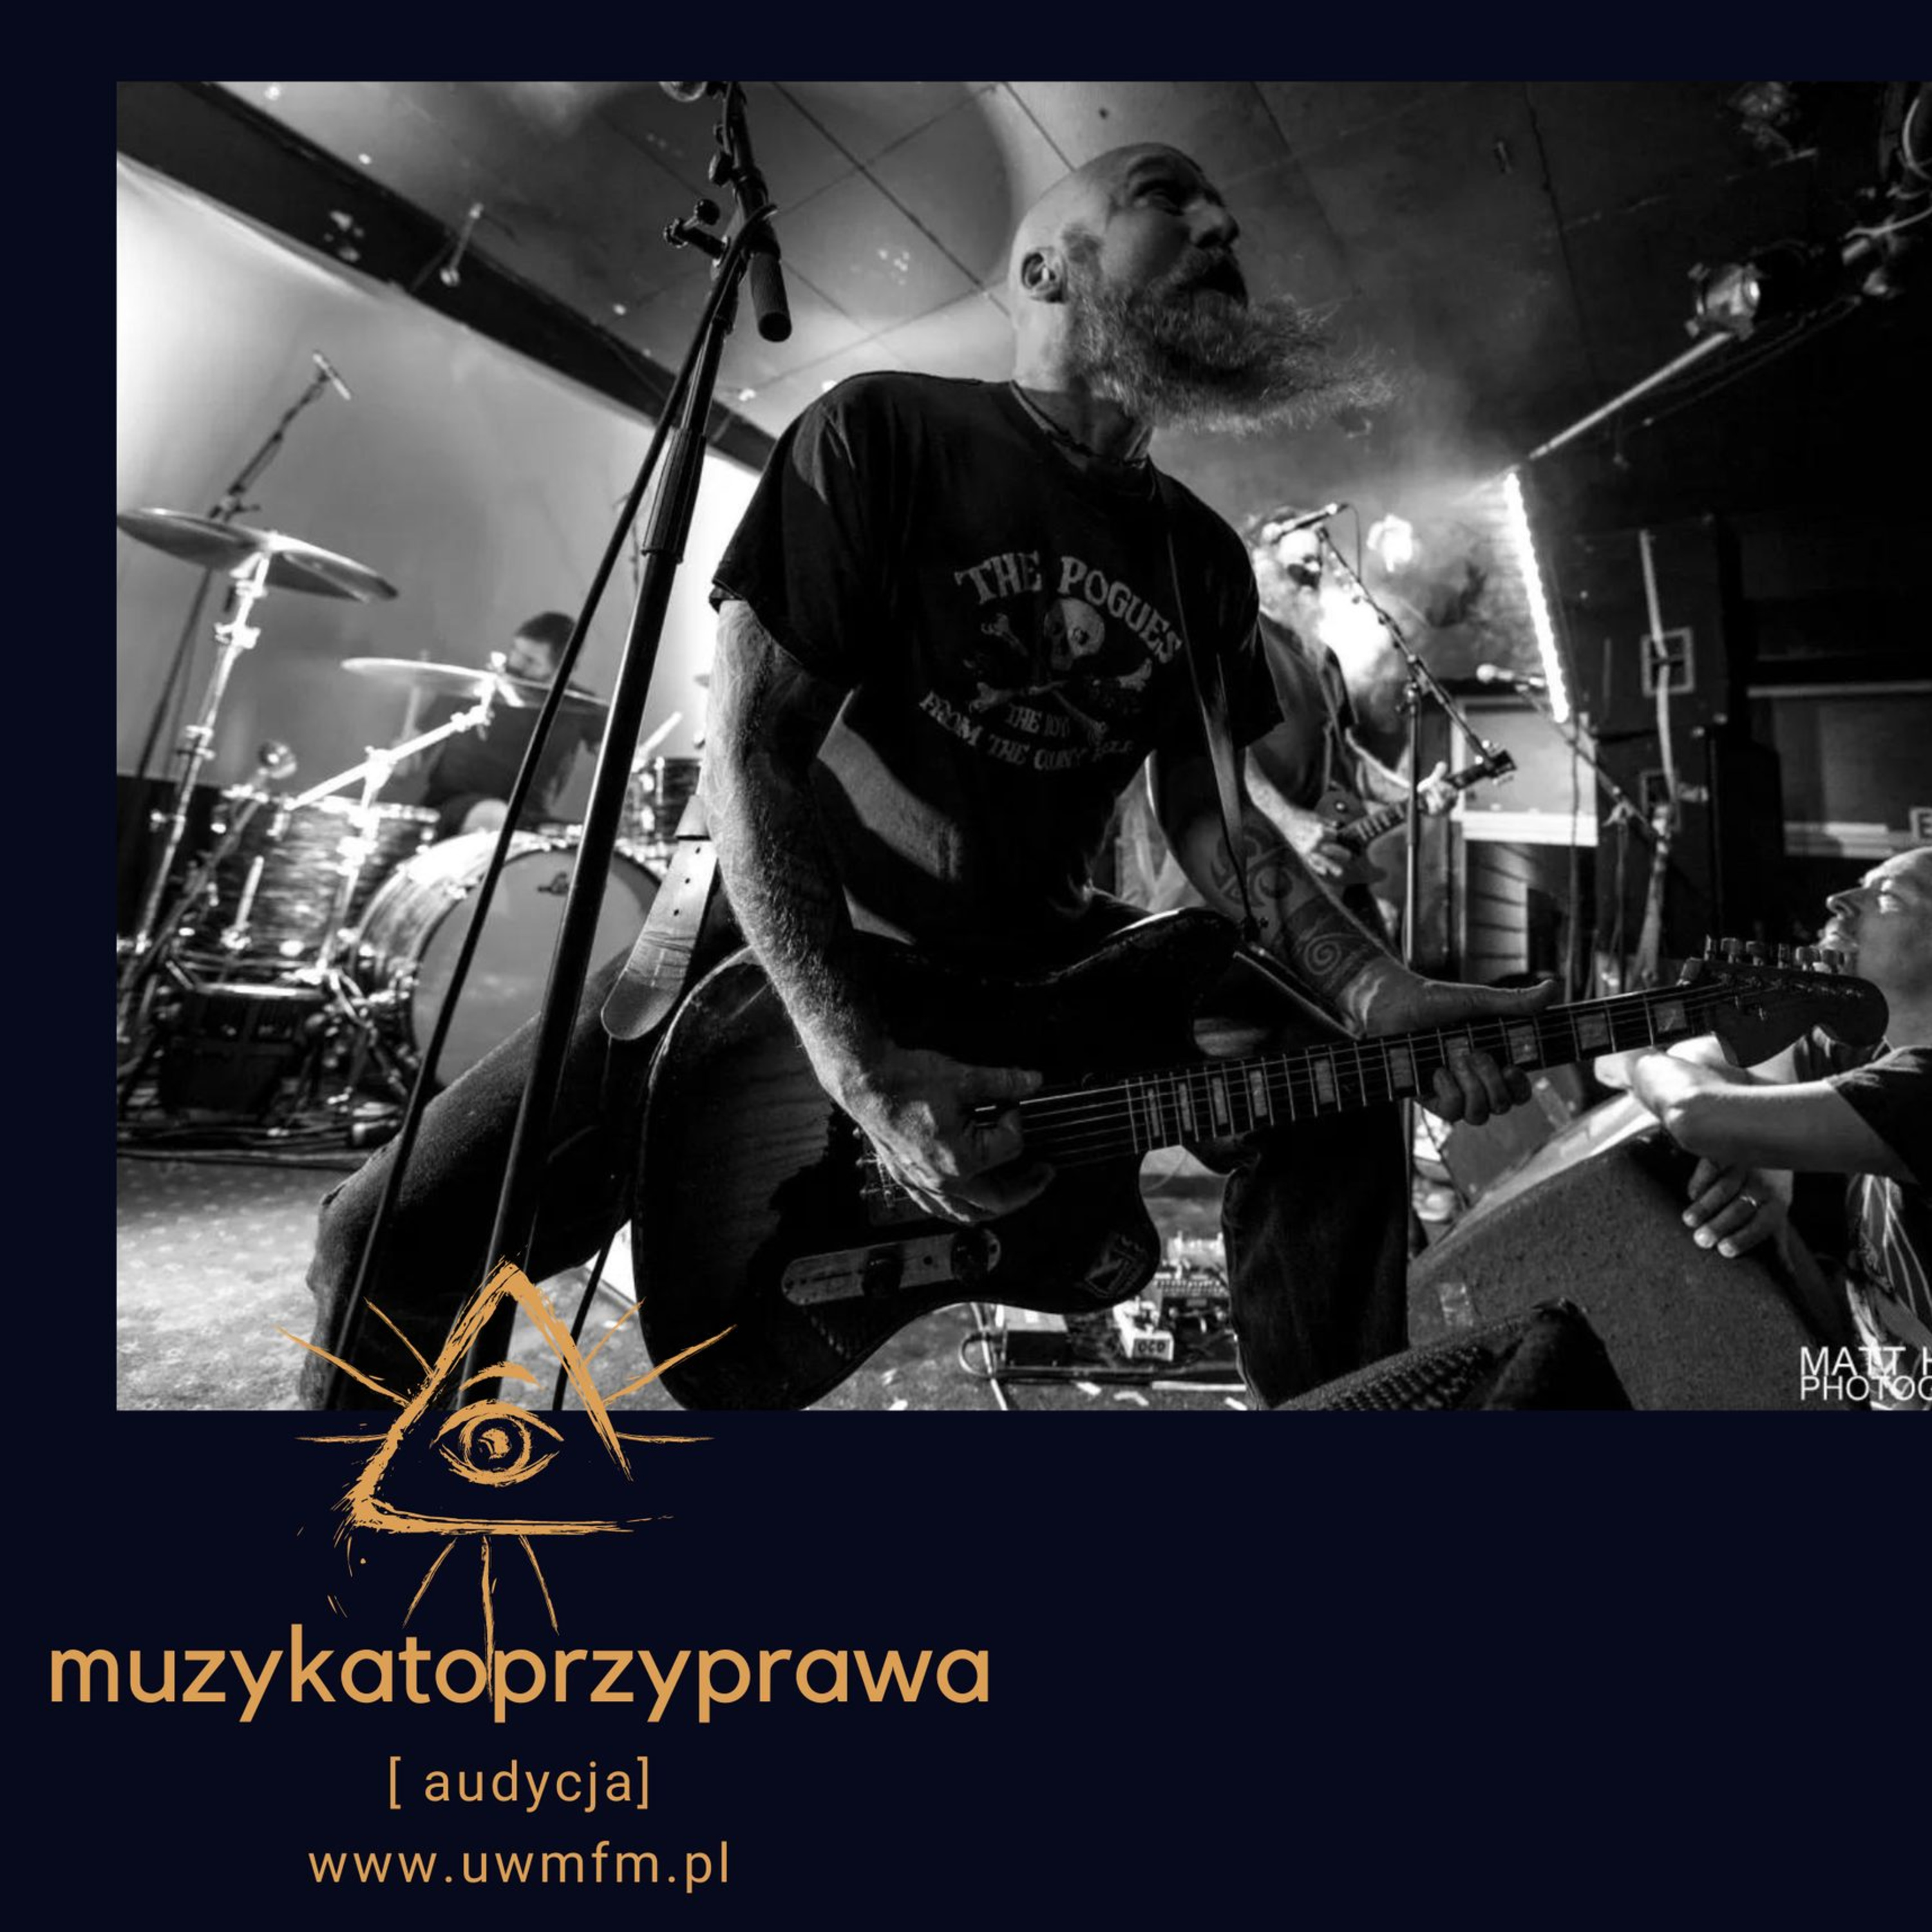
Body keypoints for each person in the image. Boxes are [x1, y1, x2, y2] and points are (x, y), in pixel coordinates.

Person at [303, 142, 1551, 1411]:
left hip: (1036, 962)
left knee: (1329, 1069)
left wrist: (1381, 993)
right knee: (388, 1243)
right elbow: (753, 754)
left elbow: (1214, 826)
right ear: (1042, 270)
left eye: (1220, 206)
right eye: (1164, 198)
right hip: (775, 951)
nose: (1220, 223)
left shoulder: (1202, 560)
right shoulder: (886, 435)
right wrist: (860, 1066)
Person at [1613, 846, 1930, 1410]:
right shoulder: (1866, 1050)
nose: (1839, 900)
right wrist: (1762, 1145)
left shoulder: (1924, 1089)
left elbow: (1695, 1112)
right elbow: (1707, 1059)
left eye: (1888, 896)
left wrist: (1638, 1059)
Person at [414, 611, 602, 837]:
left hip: (529, 819)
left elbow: (622, 759)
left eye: (530, 661)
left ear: (563, 667)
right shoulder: (477, 687)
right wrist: (409, 758)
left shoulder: (582, 706)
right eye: (515, 651)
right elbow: (414, 760)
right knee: (494, 816)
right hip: (455, 807)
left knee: (585, 842)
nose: (515, 663)